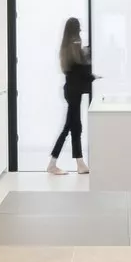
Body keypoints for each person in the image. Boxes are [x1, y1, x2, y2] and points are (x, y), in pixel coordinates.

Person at [47, 17, 93, 175]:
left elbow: (74, 67)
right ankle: (54, 164)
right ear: (75, 28)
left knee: (74, 126)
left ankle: (79, 163)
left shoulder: (67, 45)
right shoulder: (75, 44)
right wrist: (91, 73)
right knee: (70, 127)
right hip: (74, 91)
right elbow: (80, 69)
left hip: (71, 90)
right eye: (79, 27)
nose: (80, 29)